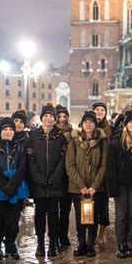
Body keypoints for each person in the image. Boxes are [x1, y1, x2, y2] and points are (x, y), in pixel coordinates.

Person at [27, 103, 68, 258]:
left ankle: (52, 244)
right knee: (39, 214)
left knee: (53, 214)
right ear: (42, 118)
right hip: (39, 184)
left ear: (55, 118)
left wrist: (54, 178)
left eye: (51, 116)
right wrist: (39, 179)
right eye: (46, 116)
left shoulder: (60, 137)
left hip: (55, 184)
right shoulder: (33, 136)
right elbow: (30, 159)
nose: (48, 118)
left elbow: (63, 160)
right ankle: (39, 244)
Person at [0, 117, 29, 263]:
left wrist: (12, 186)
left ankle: (10, 245)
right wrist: (6, 186)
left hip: (15, 189)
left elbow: (22, 168)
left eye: (11, 129)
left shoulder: (20, 147)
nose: (8, 132)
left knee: (12, 221)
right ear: (0, 131)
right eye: (5, 129)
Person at [66, 111, 108, 257]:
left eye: (91, 122)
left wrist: (94, 187)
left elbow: (104, 166)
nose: (88, 124)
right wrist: (82, 186)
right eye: (85, 122)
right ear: (81, 124)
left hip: (96, 188)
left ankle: (90, 243)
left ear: (95, 125)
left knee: (93, 215)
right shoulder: (74, 142)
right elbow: (70, 165)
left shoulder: (102, 142)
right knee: (80, 216)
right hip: (78, 188)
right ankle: (81, 243)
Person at [107, 110, 132, 258]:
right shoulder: (116, 142)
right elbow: (111, 167)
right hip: (121, 184)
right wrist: (113, 188)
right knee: (121, 215)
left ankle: (129, 242)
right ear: (126, 124)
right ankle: (120, 244)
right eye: (131, 122)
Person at [92, 102, 112, 244]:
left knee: (103, 204)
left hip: (105, 170)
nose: (99, 112)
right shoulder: (87, 126)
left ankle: (102, 231)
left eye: (102, 110)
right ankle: (91, 231)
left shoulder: (110, 128)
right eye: (97, 109)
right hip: (90, 171)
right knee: (90, 204)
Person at [55, 104, 73, 247]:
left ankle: (64, 235)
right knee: (54, 209)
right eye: (59, 116)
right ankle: (54, 236)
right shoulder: (52, 133)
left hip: (67, 176)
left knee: (65, 209)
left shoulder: (73, 133)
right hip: (55, 176)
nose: (62, 119)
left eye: (64, 116)